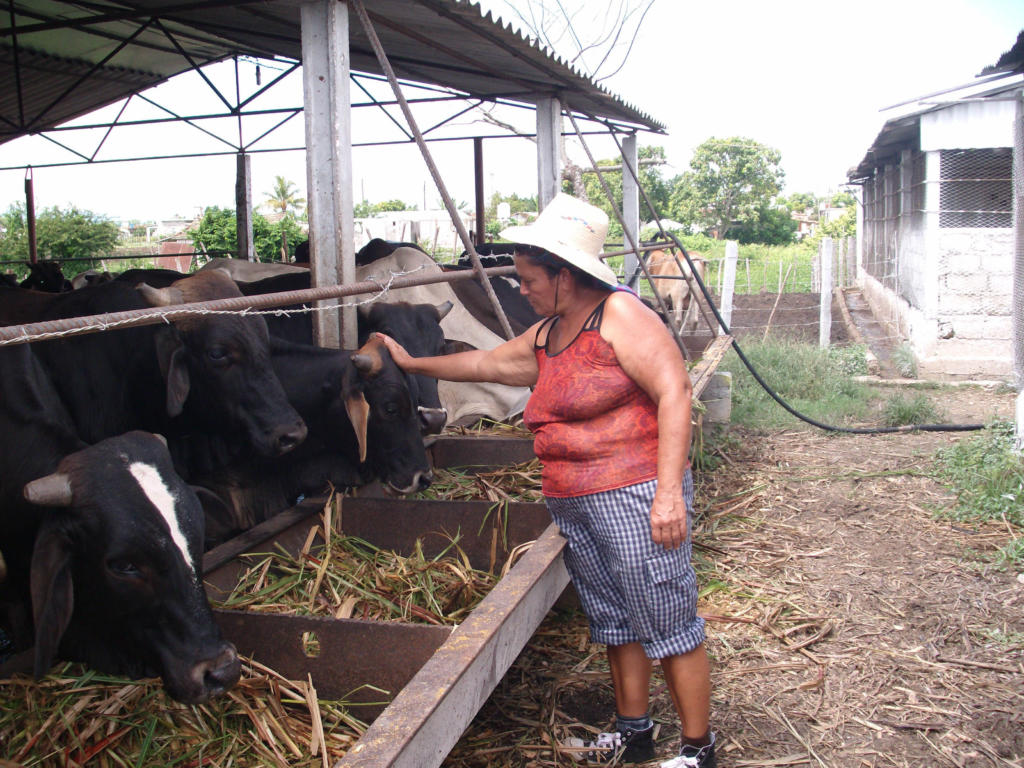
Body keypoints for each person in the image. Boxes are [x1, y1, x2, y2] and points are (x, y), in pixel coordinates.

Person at [375, 193, 715, 768]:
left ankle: (697, 750)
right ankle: (634, 735)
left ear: (565, 275)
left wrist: (666, 496)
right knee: (615, 619)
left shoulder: (621, 315)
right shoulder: (550, 333)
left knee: (667, 618)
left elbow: (674, 392)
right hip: (577, 501)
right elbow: (486, 364)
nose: (523, 289)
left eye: (530, 279)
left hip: (635, 495)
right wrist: (410, 364)